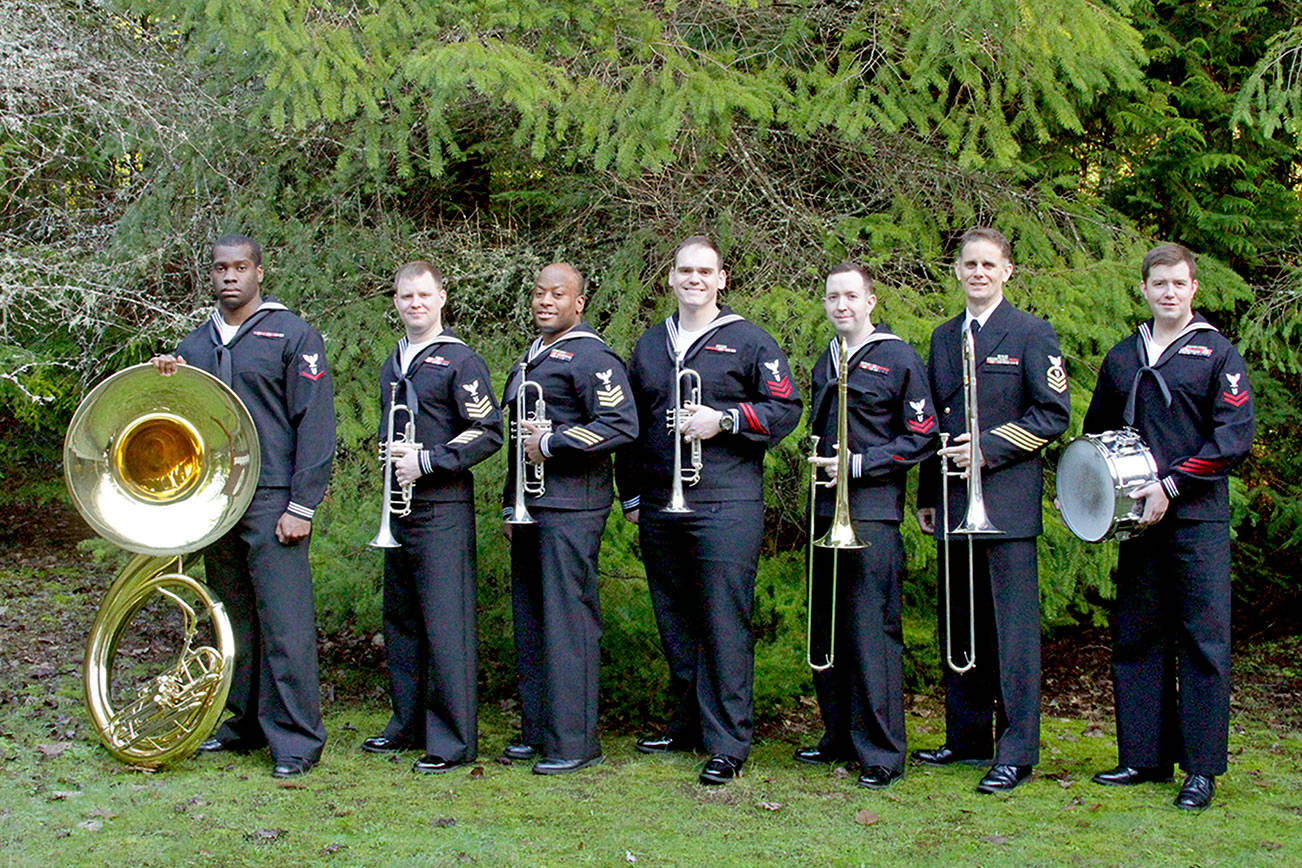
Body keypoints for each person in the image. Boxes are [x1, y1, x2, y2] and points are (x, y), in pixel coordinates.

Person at [617, 235, 802, 785]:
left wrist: (723, 420)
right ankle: (687, 725)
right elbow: (631, 427)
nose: (694, 279)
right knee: (674, 618)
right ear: (670, 279)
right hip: (659, 502)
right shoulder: (651, 344)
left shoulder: (749, 341)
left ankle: (728, 741)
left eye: (705, 271)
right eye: (684, 271)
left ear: (722, 279)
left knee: (723, 620)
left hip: (725, 501)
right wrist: (630, 495)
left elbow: (785, 407)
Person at [152, 233, 335, 779]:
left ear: (259, 272)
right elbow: (180, 426)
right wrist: (166, 382)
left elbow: (316, 424)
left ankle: (297, 740)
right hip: (218, 500)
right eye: (219, 269)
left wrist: (303, 503)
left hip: (274, 498)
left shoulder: (292, 334)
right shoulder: (194, 347)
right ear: (211, 276)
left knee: (285, 623)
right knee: (232, 619)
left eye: (239, 268)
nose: (229, 277)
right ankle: (242, 724)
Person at [1081, 243, 1254, 810]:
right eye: (1159, 283)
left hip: (1196, 519)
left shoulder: (1217, 354)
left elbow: (1232, 439)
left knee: (1203, 642)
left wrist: (1171, 485)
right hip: (1139, 525)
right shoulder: (1124, 356)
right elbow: (1099, 431)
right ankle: (1143, 757)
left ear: (1193, 288)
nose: (1169, 292)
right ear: (1146, 289)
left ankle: (1201, 769)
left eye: (1179, 283)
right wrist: (1103, 494)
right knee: (1136, 635)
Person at [913, 227, 1070, 793]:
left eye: (989, 264)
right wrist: (928, 494)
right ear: (956, 271)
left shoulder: (1031, 333)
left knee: (1012, 632)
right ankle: (967, 736)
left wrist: (989, 448)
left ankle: (1018, 748)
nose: (978, 273)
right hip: (955, 503)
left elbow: (1053, 416)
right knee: (962, 622)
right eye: (968, 264)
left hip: (1005, 503)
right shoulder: (942, 336)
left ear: (1007, 271)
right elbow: (932, 421)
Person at [796, 263, 936, 789]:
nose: (841, 306)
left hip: (872, 512)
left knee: (872, 632)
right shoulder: (826, 358)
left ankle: (882, 751)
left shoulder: (897, 356)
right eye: (833, 297)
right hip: (825, 508)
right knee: (828, 626)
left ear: (871, 301)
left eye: (851, 297)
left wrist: (858, 464)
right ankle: (838, 737)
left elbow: (922, 436)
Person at [360, 262, 503, 774]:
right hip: (398, 509)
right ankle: (407, 724)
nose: (415, 303)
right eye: (405, 296)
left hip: (441, 508)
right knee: (402, 622)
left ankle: (452, 740)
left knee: (446, 626)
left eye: (424, 295)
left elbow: (488, 430)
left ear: (442, 297)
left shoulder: (460, 360)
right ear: (395, 301)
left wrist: (429, 459)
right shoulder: (393, 362)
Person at [499, 263, 638, 775]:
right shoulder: (530, 359)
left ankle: (576, 742)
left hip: (572, 506)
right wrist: (509, 505)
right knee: (533, 622)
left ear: (578, 303)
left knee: (568, 623)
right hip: (532, 509)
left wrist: (553, 442)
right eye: (539, 292)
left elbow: (621, 424)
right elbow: (517, 439)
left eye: (558, 294)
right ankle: (540, 732)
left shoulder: (592, 356)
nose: (545, 301)